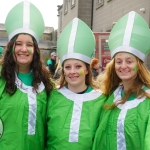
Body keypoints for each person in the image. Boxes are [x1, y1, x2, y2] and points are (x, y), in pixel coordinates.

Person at [92, 11, 150, 150]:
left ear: (139, 65)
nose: (123, 66)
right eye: (119, 62)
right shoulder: (110, 97)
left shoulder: (147, 101)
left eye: (129, 61)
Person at [46, 18, 107, 150]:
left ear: (86, 69)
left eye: (78, 66)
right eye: (67, 67)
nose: (72, 72)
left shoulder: (100, 99)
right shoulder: (53, 96)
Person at [0, 1, 53, 150]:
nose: (24, 49)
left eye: (29, 44)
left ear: (35, 50)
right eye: (18, 44)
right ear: (11, 47)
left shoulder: (46, 83)